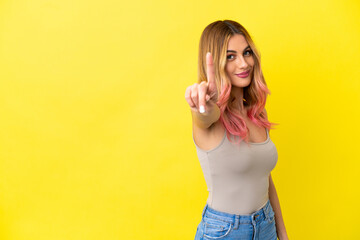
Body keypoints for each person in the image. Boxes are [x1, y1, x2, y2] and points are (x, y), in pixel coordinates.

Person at [185, 20, 289, 240]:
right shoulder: (210, 121)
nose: (244, 64)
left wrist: (282, 232)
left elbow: (264, 178)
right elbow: (204, 115)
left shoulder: (258, 113)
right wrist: (202, 105)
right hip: (225, 232)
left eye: (247, 53)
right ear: (215, 61)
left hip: (266, 225)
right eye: (231, 56)